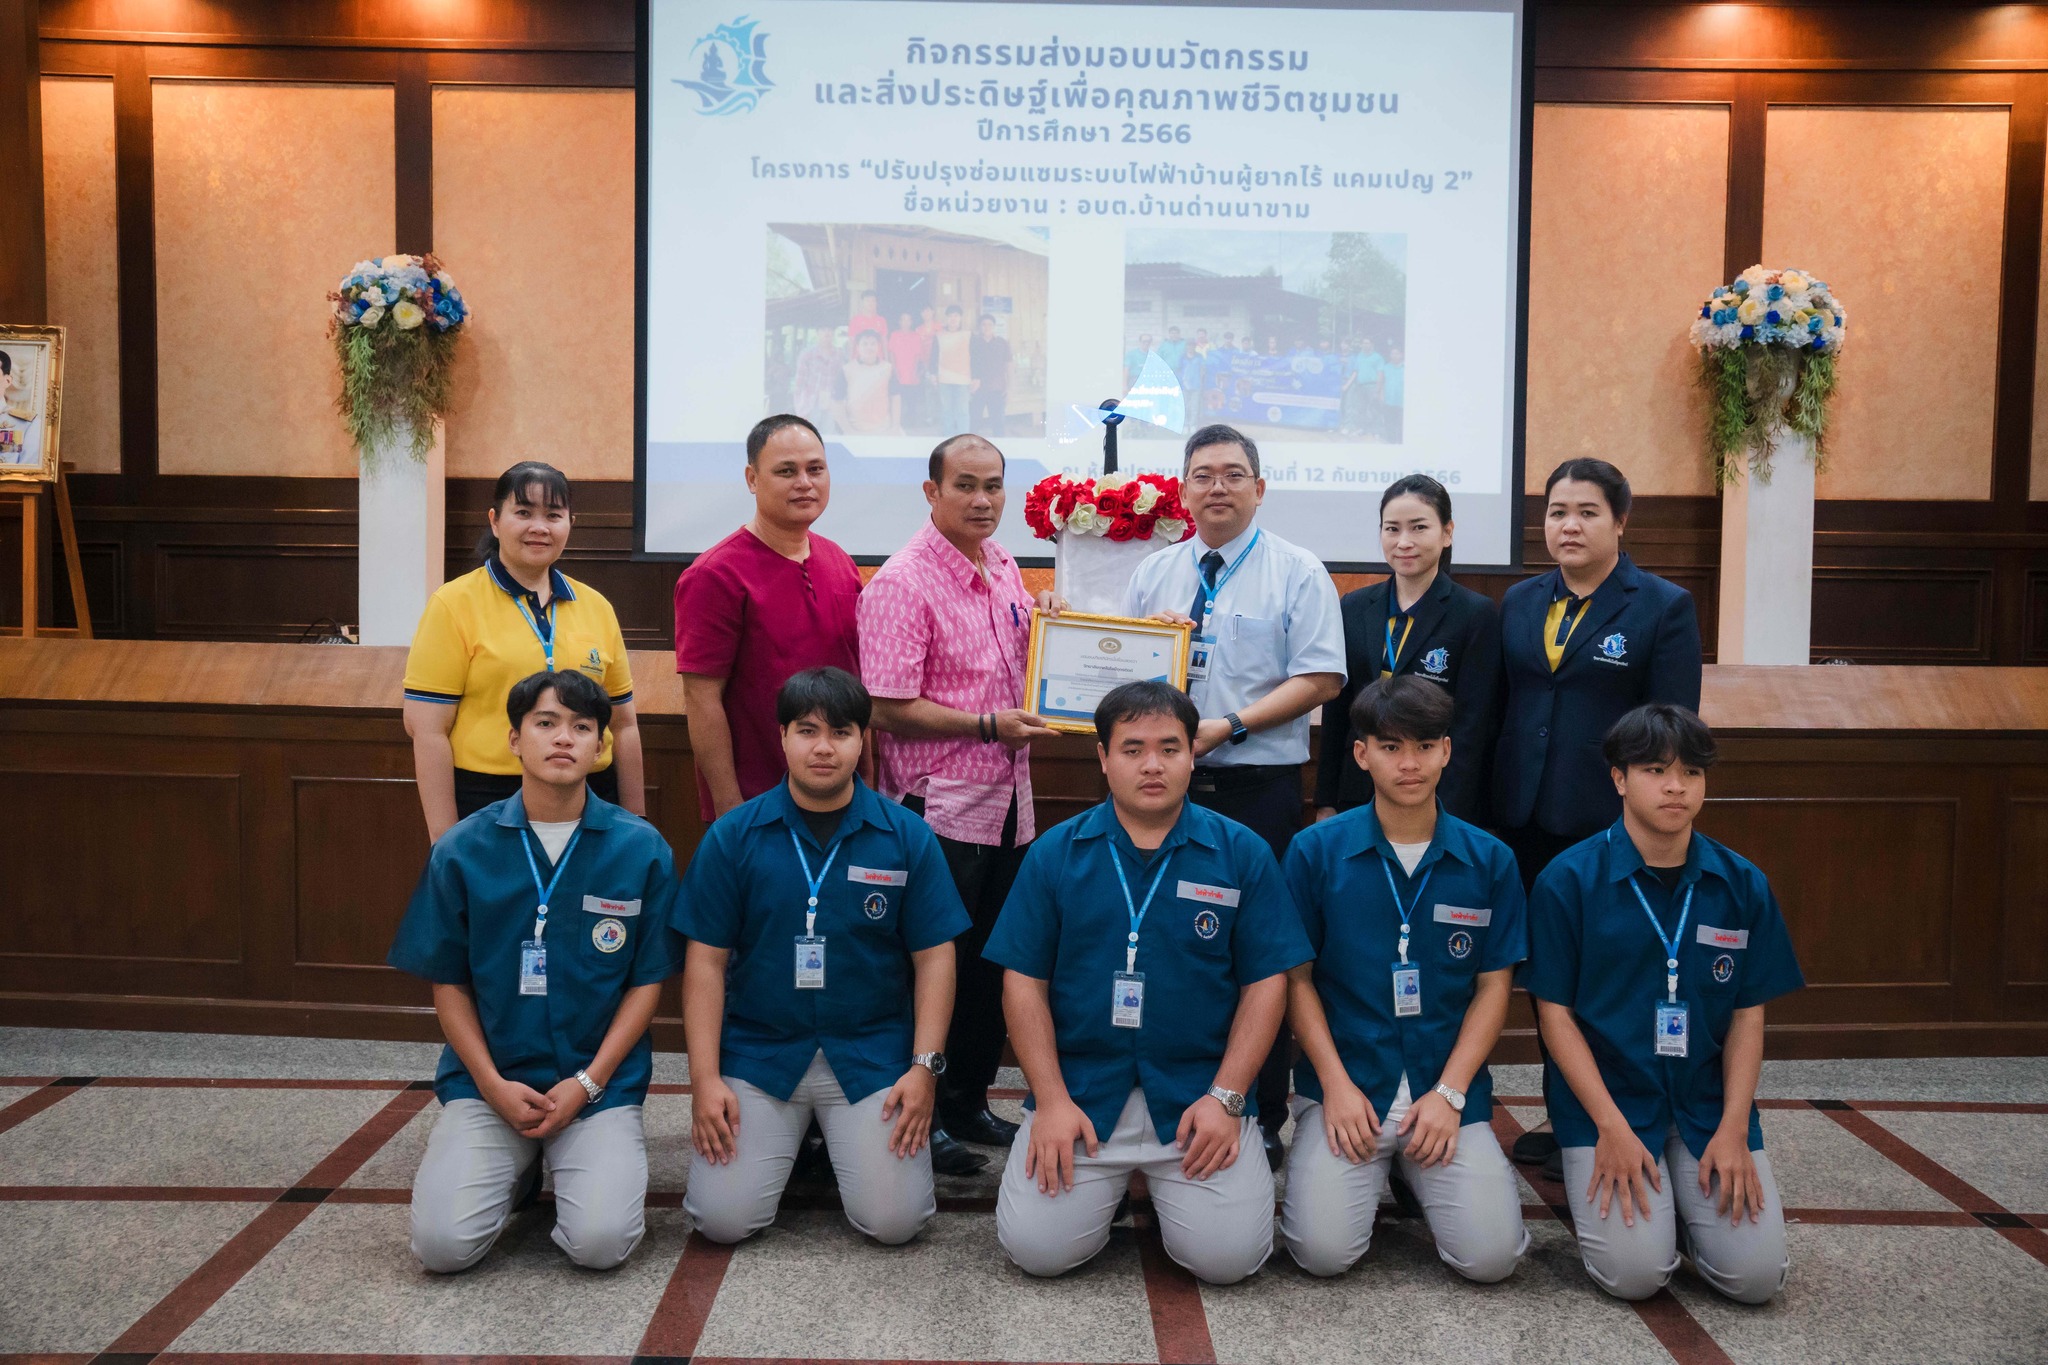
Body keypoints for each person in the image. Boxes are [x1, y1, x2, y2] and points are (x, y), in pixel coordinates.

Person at [985, 681, 1311, 1284]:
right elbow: (1023, 981)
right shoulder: (1056, 853)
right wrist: (1051, 1101)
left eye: (1170, 747)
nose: (1153, 765)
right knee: (1038, 1252)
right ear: (1103, 757)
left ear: (1194, 753)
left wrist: (1228, 1098)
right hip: (1082, 1093)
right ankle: (1110, 1190)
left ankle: (1169, 1192)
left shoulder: (1242, 852)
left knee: (1229, 1261)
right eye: (1132, 749)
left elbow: (1267, 982)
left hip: (1197, 1095)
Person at [390, 669, 681, 1273]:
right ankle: (519, 1160)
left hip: (597, 1087)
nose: (563, 739)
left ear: (601, 745)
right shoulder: (462, 850)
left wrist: (589, 1083)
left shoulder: (642, 848)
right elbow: (449, 984)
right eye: (545, 723)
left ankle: (565, 1156)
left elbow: (647, 982)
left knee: (600, 1246)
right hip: (491, 1084)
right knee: (441, 1250)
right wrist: (493, 1086)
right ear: (514, 740)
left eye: (581, 727)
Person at [675, 668, 968, 1244]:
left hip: (871, 1053)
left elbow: (936, 957)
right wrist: (705, 1080)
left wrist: (923, 1068)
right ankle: (802, 1147)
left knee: (895, 1224)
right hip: (761, 1051)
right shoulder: (734, 836)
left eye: (841, 732)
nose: (824, 748)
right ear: (782, 736)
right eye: (807, 731)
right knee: (721, 1222)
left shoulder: (907, 835)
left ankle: (838, 1149)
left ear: (865, 740)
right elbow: (705, 964)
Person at [1523, 704, 1803, 1303]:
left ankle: (1685, 1207)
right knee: (1635, 1276)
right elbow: (1554, 1016)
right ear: (1619, 779)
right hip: (1611, 1107)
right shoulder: (1567, 881)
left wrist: (1733, 1130)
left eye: (1692, 773)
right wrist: (1609, 1126)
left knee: (1756, 1281)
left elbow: (1748, 1018)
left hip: (1706, 1107)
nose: (1676, 787)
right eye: (1655, 770)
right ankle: (1661, 1215)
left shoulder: (1741, 883)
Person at [1125, 423, 1344, 1167]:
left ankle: (1263, 1111)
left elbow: (1321, 678)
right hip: (1163, 793)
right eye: (1202, 475)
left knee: (1261, 953)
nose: (1216, 487)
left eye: (1232, 473)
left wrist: (1230, 726)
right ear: (1181, 489)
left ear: (1259, 485)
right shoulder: (1154, 572)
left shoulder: (1298, 570)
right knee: (1171, 943)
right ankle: (1168, 1093)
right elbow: (1124, 680)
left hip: (1258, 788)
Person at [1280, 677, 1528, 1281]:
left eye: (1423, 746)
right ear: (1361, 755)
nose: (1409, 764)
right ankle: (1372, 1162)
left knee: (1490, 1261)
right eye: (1390, 747)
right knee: (1322, 1255)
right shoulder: (1314, 851)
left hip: (1442, 1090)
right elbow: (1296, 980)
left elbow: (1494, 989)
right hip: (1349, 1088)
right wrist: (1334, 1087)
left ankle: (1411, 1163)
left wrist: (1449, 1094)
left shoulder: (1490, 859)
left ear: (1447, 750)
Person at [1497, 458, 1704, 1173]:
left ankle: (1618, 1114)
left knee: (1611, 977)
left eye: (1586, 511)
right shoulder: (1521, 602)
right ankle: (1568, 1116)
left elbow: (1674, 728)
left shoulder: (1661, 606)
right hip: (1521, 820)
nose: (1569, 525)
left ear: (1620, 521)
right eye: (1557, 512)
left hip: (1608, 826)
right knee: (1547, 979)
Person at [859, 434, 1055, 1172]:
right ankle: (925, 1107)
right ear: (931, 490)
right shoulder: (903, 583)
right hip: (937, 809)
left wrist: (1061, 631)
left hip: (1009, 802)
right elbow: (884, 705)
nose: (982, 500)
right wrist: (984, 725)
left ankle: (969, 1097)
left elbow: (1028, 660)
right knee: (930, 962)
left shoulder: (1001, 562)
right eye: (966, 485)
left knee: (986, 964)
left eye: (994, 486)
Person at [404, 461, 642, 840]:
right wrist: (443, 840)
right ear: (495, 521)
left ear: (570, 524)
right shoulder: (452, 604)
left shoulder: (596, 606)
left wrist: (636, 827)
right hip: (487, 800)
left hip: (591, 796)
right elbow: (428, 730)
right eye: (523, 512)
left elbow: (624, 725)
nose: (539, 527)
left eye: (553, 515)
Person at [674, 415, 863, 823]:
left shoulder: (840, 562)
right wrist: (729, 809)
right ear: (752, 478)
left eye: (815, 469)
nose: (804, 482)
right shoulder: (715, 575)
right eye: (786, 471)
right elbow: (701, 701)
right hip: (757, 804)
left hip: (844, 796)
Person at [1317, 476, 1500, 823]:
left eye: (1418, 528)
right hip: (1359, 792)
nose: (1404, 542)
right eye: (1392, 529)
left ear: (1447, 533)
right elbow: (1338, 713)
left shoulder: (1474, 613)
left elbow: (1473, 727)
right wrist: (1328, 800)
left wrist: (1452, 812)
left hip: (1434, 794)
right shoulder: (1354, 608)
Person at [834, 329, 899, 435]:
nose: (869, 347)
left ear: (878, 347)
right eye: (865, 344)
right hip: (854, 431)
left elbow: (896, 397)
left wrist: (895, 426)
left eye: (873, 344)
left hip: (884, 430)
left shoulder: (888, 369)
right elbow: (837, 402)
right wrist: (848, 430)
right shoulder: (846, 370)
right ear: (858, 347)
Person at [969, 314, 1012, 435]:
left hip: (997, 389)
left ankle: (999, 450)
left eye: (990, 324)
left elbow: (1009, 365)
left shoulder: (1002, 343)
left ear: (994, 327)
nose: (986, 327)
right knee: (974, 422)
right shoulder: (973, 342)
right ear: (979, 327)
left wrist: (1010, 388)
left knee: (998, 424)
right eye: (983, 324)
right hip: (977, 389)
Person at [888, 312, 930, 431]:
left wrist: (915, 370)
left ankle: (911, 421)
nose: (905, 322)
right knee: (898, 398)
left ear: (911, 322)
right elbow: (891, 352)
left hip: (911, 372)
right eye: (903, 319)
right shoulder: (895, 335)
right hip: (898, 371)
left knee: (912, 399)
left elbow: (918, 354)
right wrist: (893, 368)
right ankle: (898, 422)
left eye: (908, 320)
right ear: (899, 321)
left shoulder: (915, 336)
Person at [935, 306, 973, 433]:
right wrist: (933, 375)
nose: (953, 318)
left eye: (956, 316)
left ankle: (963, 439)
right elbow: (933, 356)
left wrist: (976, 377)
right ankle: (949, 439)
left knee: (963, 411)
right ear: (946, 318)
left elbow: (975, 357)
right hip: (944, 379)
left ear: (960, 318)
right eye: (950, 316)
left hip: (963, 380)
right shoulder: (939, 335)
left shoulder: (968, 335)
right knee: (947, 411)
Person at [1381, 345, 1406, 443]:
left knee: (1400, 426)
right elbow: (1382, 383)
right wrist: (1381, 397)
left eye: (1397, 353)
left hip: (1402, 403)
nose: (1394, 356)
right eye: (1392, 353)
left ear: (1401, 355)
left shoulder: (1406, 368)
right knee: (1389, 425)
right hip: (1388, 402)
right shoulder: (1386, 367)